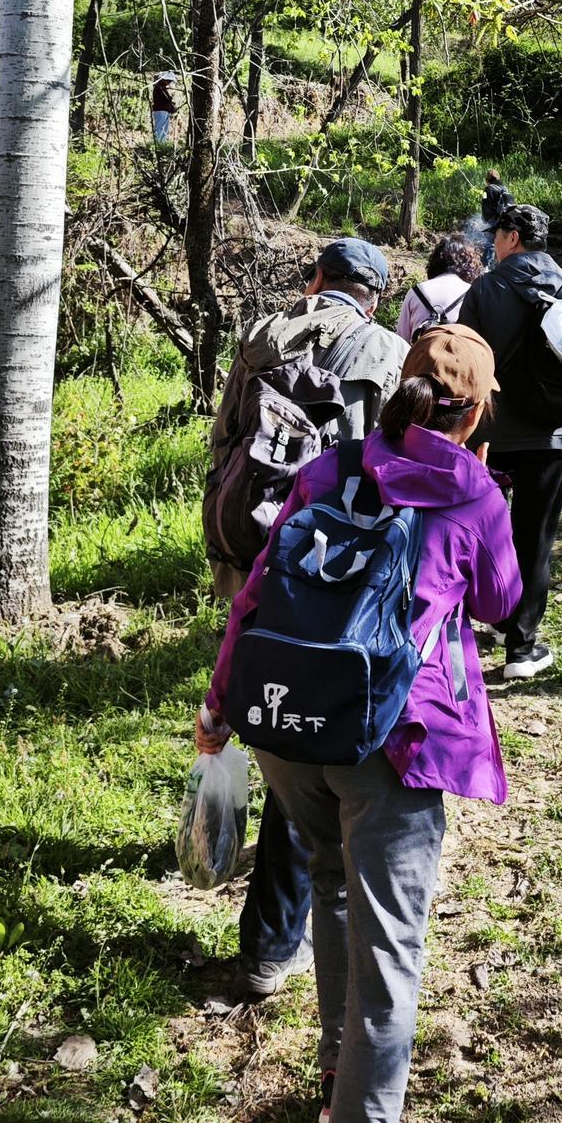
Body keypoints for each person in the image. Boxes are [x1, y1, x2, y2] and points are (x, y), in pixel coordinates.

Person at [195, 324, 520, 1123]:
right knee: (390, 965)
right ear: (475, 411)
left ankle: (339, 1073)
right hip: (392, 741)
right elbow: (499, 601)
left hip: (287, 725)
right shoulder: (471, 488)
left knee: (332, 887)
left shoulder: (332, 466)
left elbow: (254, 595)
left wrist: (219, 707)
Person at [203, 239, 408, 997]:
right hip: (328, 571)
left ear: (316, 279)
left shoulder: (263, 334)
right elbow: (391, 467)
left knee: (261, 712)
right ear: (374, 296)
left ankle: (248, 891)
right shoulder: (388, 353)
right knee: (306, 731)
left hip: (250, 551)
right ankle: (270, 943)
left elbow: (225, 438)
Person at [457, 203, 562, 682]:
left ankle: (494, 618)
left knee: (488, 533)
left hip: (491, 434)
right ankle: (522, 646)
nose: (493, 243)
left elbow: (467, 363)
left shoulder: (484, 289)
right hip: (551, 433)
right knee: (535, 538)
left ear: (513, 237)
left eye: (497, 235)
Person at [396, 234, 484, 341]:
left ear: (435, 262)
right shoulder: (474, 294)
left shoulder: (416, 292)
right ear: (470, 266)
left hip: (422, 351)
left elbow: (401, 340)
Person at [151, 71, 177, 145]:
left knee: (164, 129)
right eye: (169, 80)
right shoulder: (159, 87)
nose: (169, 82)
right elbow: (167, 99)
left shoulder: (162, 87)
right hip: (160, 111)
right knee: (159, 129)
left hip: (164, 111)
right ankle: (158, 144)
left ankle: (162, 144)